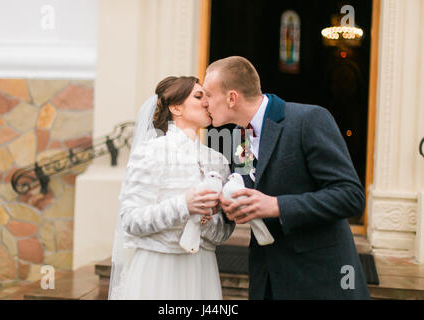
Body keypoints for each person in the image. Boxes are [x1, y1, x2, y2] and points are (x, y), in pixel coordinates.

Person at [203, 56, 370, 300]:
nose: (204, 103)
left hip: (319, 279)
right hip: (268, 279)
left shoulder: (308, 120)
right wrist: (230, 203)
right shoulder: (240, 135)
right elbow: (247, 183)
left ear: (232, 98)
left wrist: (276, 206)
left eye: (208, 94)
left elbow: (351, 196)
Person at [108, 76, 235, 300]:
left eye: (208, 95)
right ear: (176, 107)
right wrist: (184, 205)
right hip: (159, 269)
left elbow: (224, 231)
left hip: (202, 267)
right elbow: (130, 221)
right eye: (199, 96)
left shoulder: (217, 161)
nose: (207, 101)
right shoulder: (151, 152)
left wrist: (206, 221)